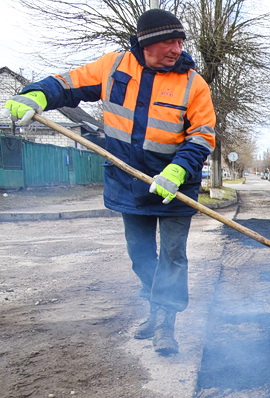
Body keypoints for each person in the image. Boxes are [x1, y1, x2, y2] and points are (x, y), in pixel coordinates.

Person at [5, 9, 216, 355]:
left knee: (173, 256)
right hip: (129, 182)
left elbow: (202, 136)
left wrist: (177, 171)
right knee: (140, 254)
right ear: (146, 43)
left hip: (175, 186)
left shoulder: (194, 84)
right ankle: (155, 306)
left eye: (180, 41)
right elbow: (66, 84)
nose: (177, 48)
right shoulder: (113, 67)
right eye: (169, 41)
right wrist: (37, 95)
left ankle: (167, 323)